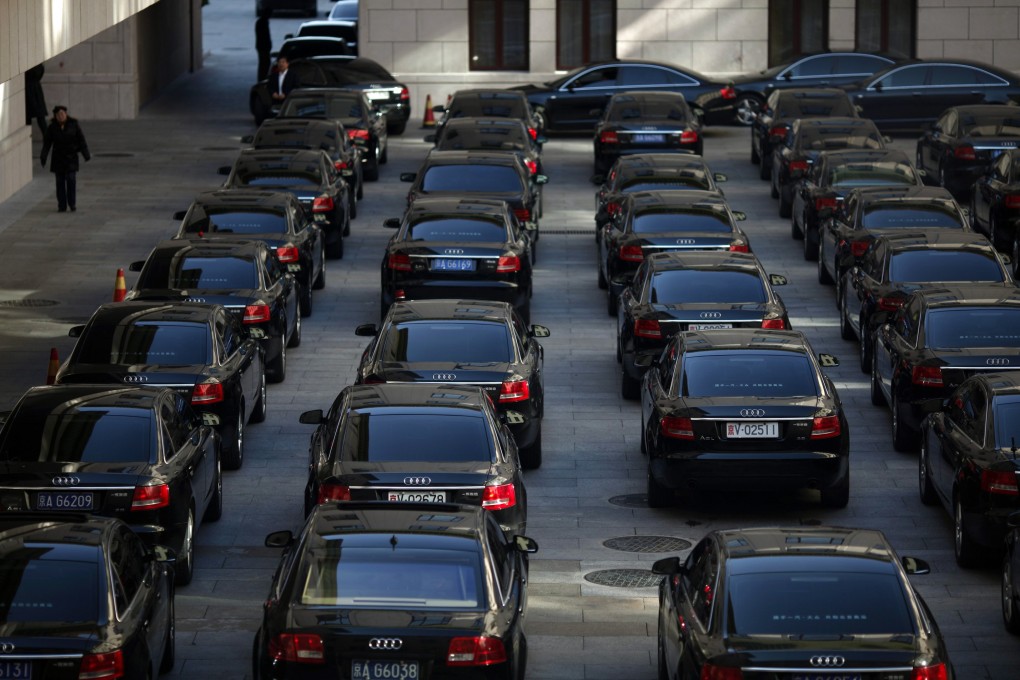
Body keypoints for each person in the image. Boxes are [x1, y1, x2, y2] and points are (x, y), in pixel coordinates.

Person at [40, 106, 90, 213]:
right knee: (60, 183)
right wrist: (43, 156)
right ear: (56, 116)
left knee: (71, 180)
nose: (61, 116)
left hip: (71, 157)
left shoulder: (74, 125)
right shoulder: (52, 128)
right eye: (59, 115)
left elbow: (81, 140)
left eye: (63, 114)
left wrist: (86, 154)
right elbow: (47, 144)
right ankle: (62, 205)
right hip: (58, 159)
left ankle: (72, 204)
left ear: (66, 114)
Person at [24, 64, 47, 138]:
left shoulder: (32, 68)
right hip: (36, 91)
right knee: (40, 118)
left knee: (29, 117)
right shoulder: (38, 66)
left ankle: (27, 137)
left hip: (30, 92)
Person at [255, 12, 272, 81]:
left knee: (263, 63)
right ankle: (262, 78)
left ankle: (262, 78)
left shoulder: (261, 22)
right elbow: (265, 36)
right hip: (263, 46)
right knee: (264, 63)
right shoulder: (263, 22)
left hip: (261, 46)